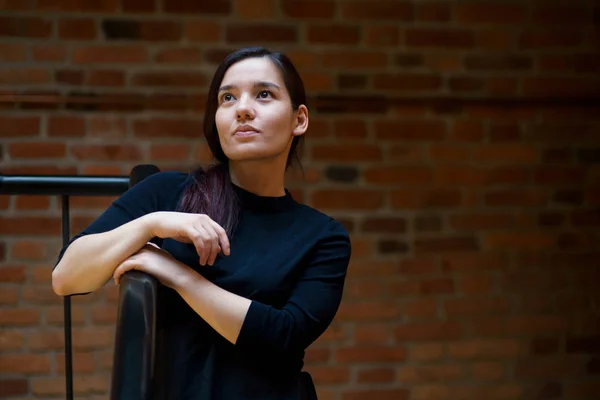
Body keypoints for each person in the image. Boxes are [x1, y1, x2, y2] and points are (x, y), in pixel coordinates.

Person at [53, 46, 352, 399]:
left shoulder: (322, 236)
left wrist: (178, 275)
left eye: (264, 94)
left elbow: (284, 335)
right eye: (227, 98)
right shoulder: (167, 195)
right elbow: (66, 277)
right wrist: (150, 225)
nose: (242, 109)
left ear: (298, 120)